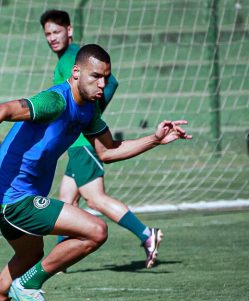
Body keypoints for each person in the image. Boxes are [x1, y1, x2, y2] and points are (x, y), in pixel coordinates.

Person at [0, 44, 189, 301]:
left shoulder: (89, 109)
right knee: (96, 230)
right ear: (76, 73)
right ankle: (28, 285)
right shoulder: (54, 101)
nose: (102, 84)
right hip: (11, 198)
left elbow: (107, 151)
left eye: (106, 78)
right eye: (95, 76)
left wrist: (154, 139)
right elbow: (0, 110)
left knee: (30, 255)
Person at [41, 9, 162, 269]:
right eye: (48, 33)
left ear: (69, 30)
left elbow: (108, 83)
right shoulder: (70, 58)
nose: (52, 37)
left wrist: (88, 119)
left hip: (82, 144)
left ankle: (146, 235)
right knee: (66, 200)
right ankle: (61, 262)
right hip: (76, 144)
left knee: (95, 198)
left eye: (57, 31)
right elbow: (109, 83)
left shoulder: (73, 58)